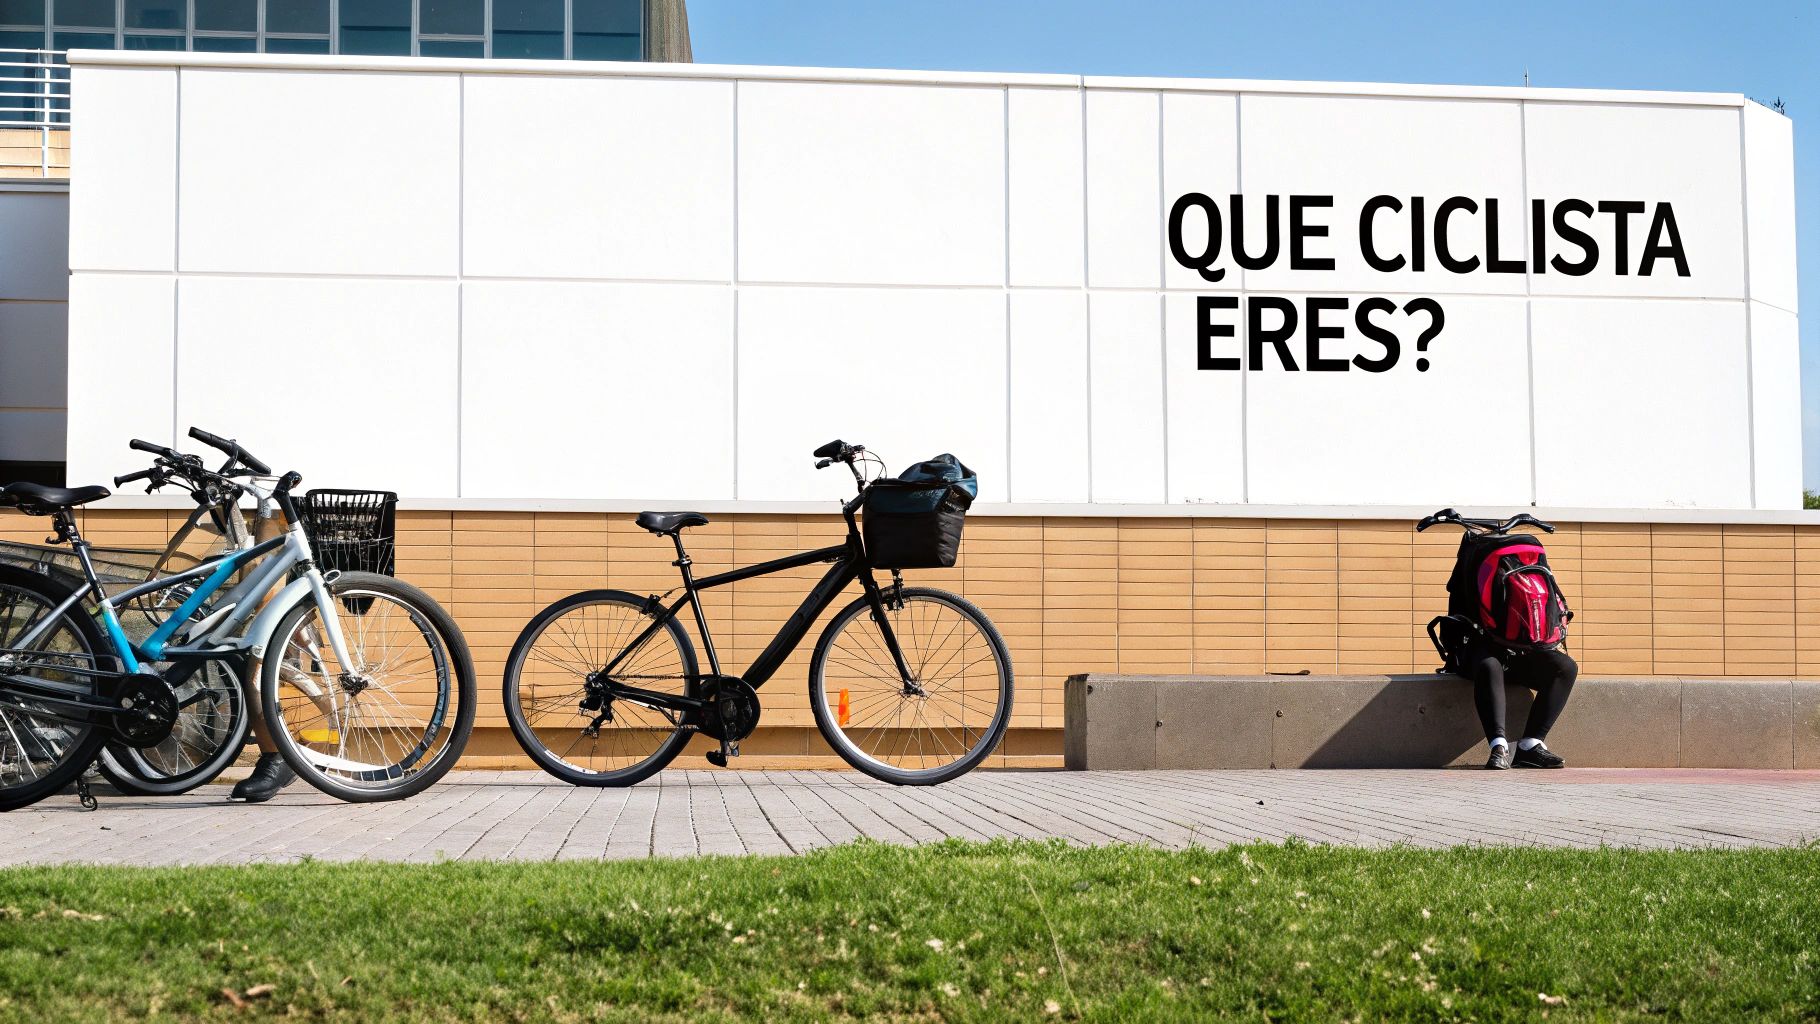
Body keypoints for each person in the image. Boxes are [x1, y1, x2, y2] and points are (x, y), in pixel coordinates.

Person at [1463, 636, 1577, 770]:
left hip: (1523, 650)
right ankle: (1499, 747)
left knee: (1566, 667)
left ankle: (1530, 746)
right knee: (1490, 666)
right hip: (1483, 649)